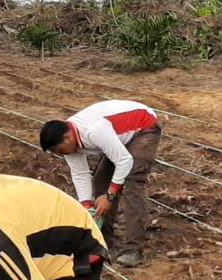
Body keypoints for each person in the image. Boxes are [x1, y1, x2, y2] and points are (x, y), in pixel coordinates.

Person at [38, 101, 161, 267]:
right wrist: (87, 206)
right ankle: (104, 244)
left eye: (60, 151)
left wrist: (109, 196)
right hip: (118, 136)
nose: (61, 155)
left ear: (67, 138)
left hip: (144, 125)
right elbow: (80, 174)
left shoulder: (94, 131)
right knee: (101, 182)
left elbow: (124, 161)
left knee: (133, 182)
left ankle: (133, 250)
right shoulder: (69, 142)